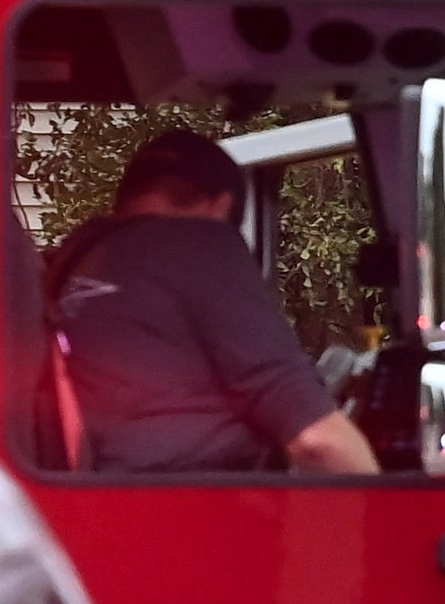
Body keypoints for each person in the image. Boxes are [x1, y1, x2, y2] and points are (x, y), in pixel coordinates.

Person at [48, 128, 377, 475]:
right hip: (195, 493)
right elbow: (317, 439)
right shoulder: (196, 242)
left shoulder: (74, 260)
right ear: (222, 206)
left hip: (103, 490)